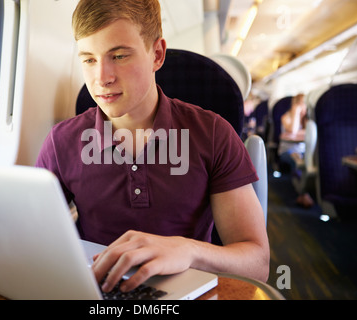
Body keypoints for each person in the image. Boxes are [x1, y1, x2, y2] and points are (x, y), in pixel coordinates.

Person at [36, 0, 269, 294]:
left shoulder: (212, 133)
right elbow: (33, 236)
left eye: (118, 56)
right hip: (98, 290)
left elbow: (258, 263)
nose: (102, 78)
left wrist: (188, 250)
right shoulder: (61, 141)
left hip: (187, 290)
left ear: (157, 54)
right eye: (89, 59)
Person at [278, 93, 314, 208]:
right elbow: (293, 131)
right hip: (287, 151)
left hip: (303, 151)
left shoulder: (307, 120)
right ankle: (303, 193)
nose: (304, 107)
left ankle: (308, 190)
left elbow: (312, 133)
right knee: (296, 160)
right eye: (301, 104)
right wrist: (296, 113)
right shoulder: (286, 117)